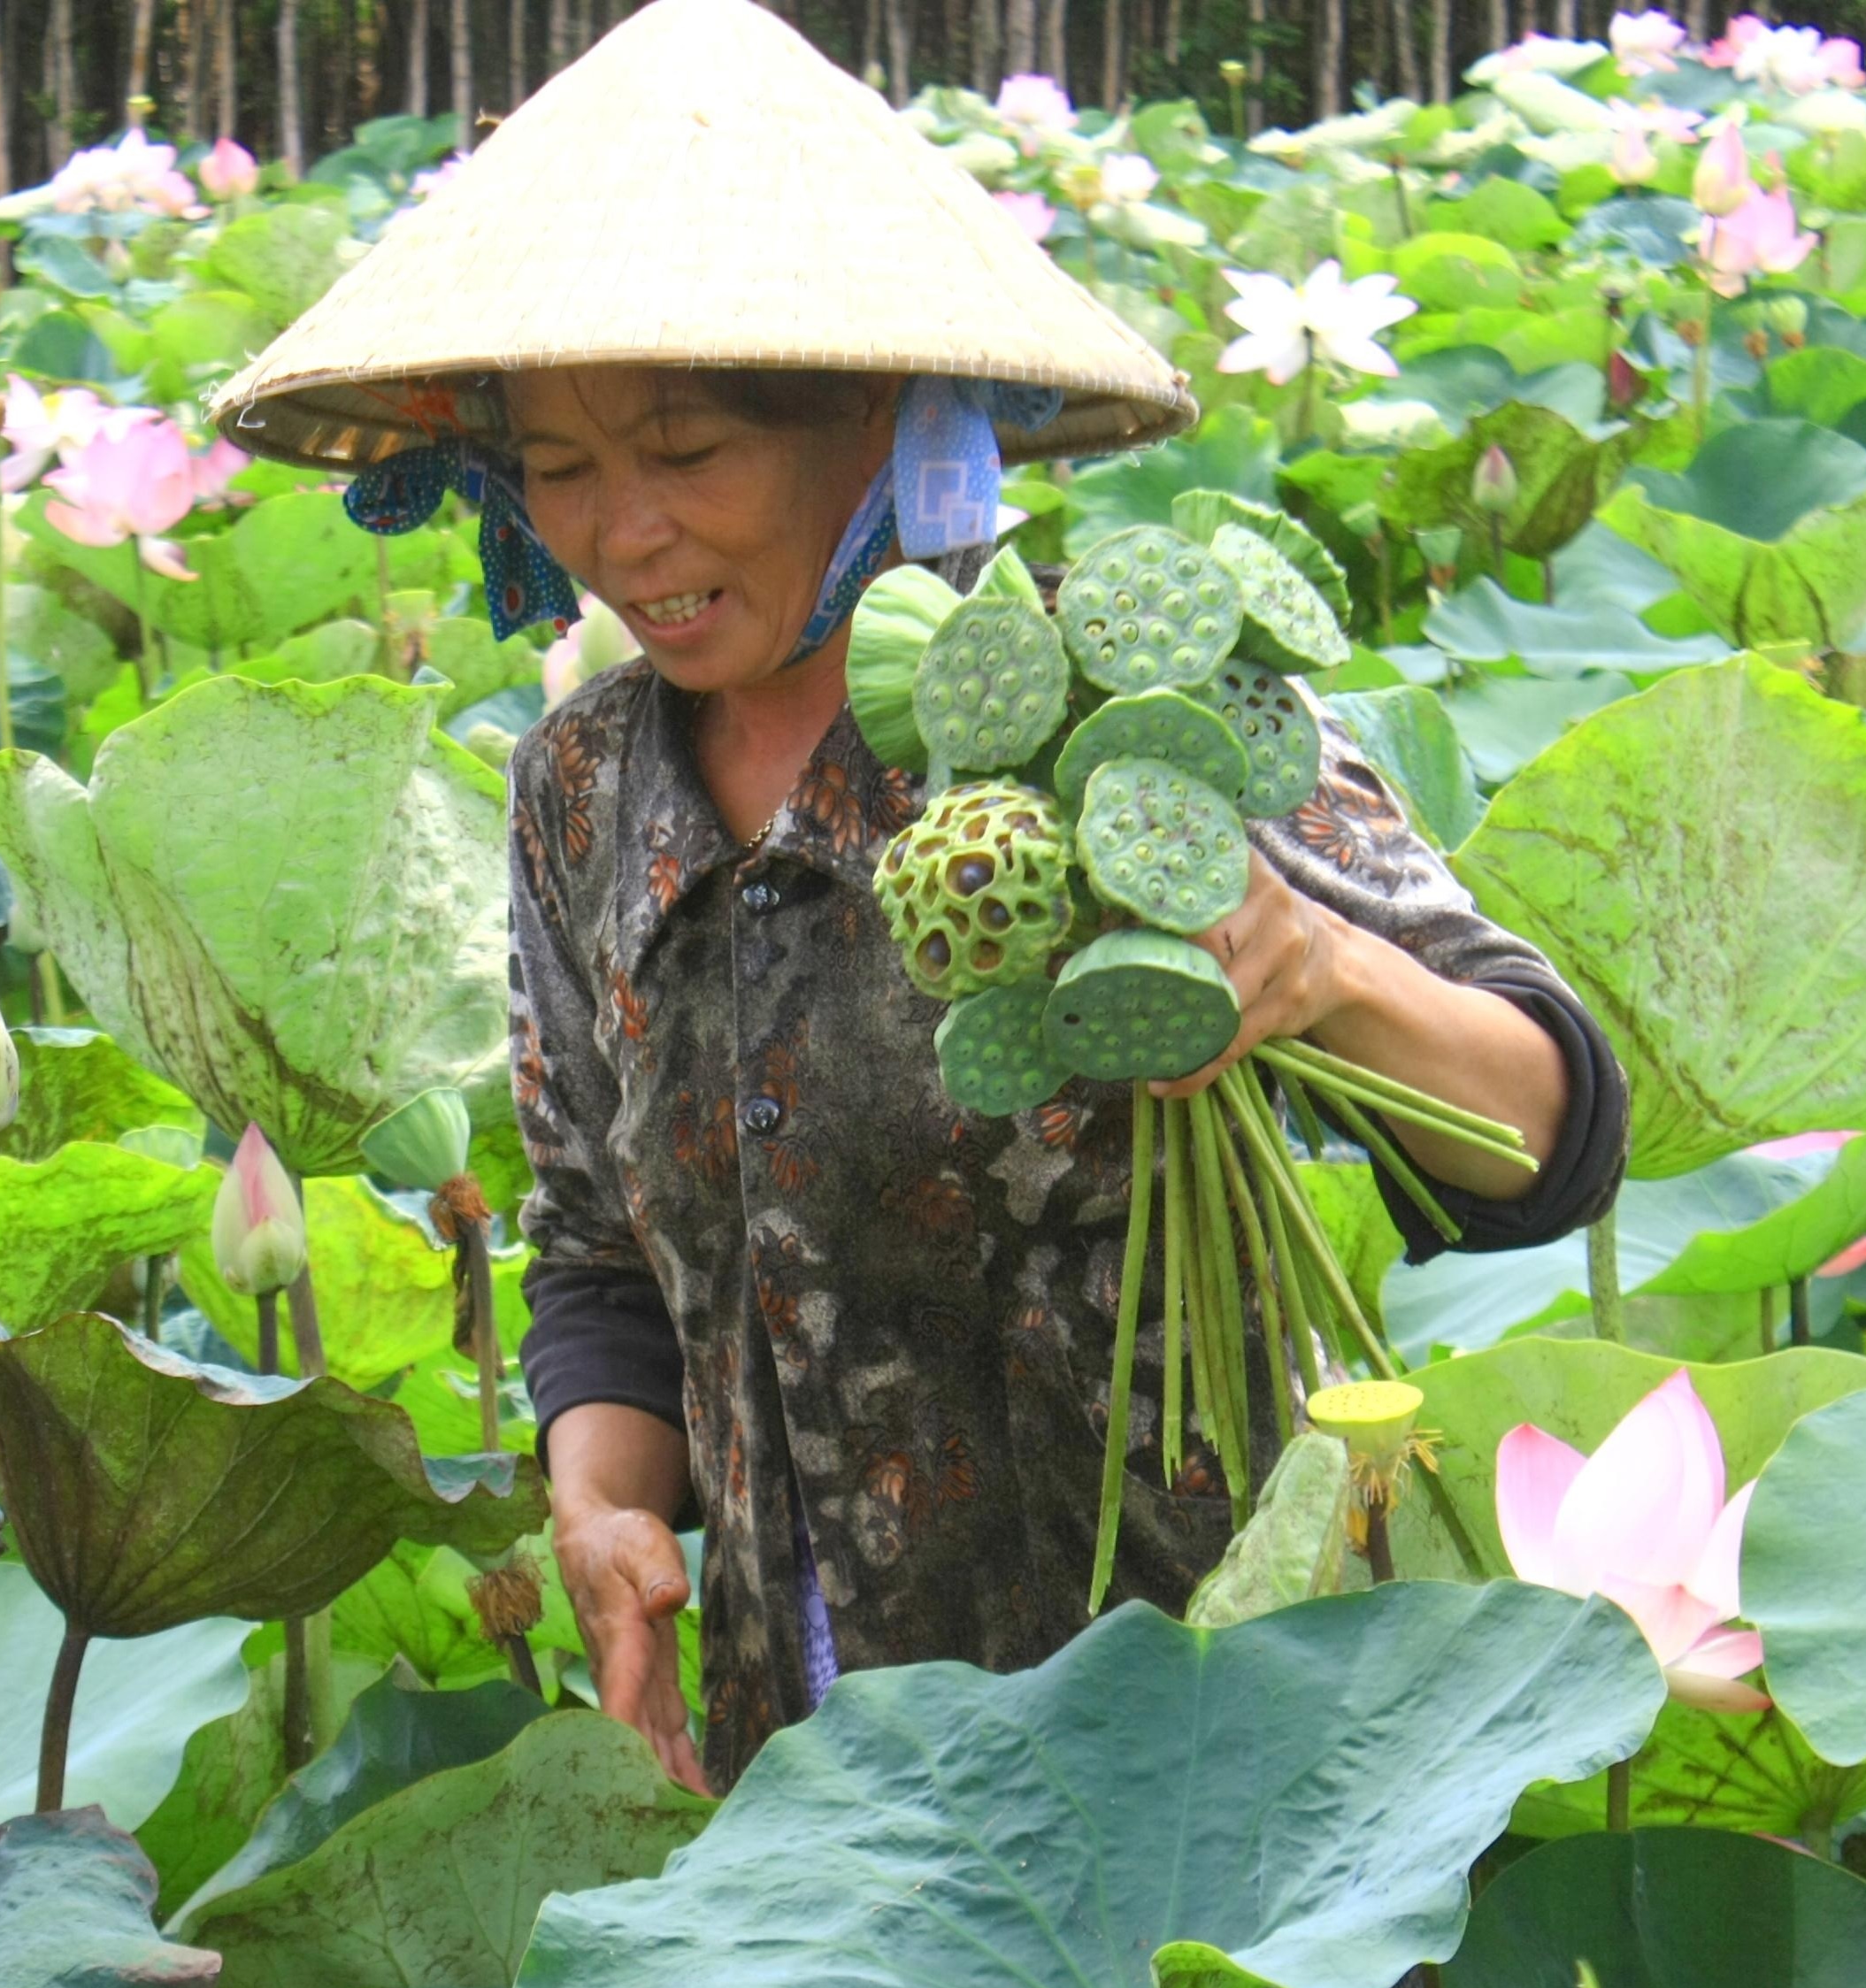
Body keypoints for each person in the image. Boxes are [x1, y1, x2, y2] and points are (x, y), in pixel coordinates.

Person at [211, 0, 1625, 1795]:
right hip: (806, 1771)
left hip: (1201, 1743)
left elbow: (1551, 1136)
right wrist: (602, 1496)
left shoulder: (1108, 711)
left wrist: (1317, 968)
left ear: (871, 419)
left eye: (686, 452)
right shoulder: (579, 791)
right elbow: (590, 1252)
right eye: (559, 471)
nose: (621, 532)